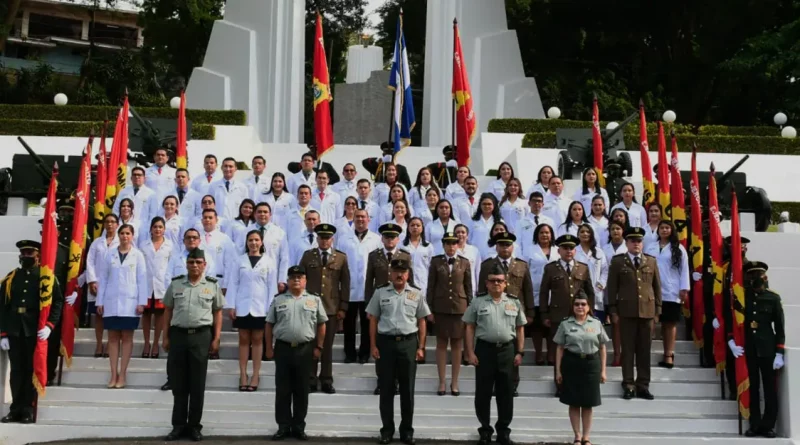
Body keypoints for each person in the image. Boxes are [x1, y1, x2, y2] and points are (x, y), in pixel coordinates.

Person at [163, 248, 225, 442]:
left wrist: (216, 338)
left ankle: (194, 426)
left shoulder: (212, 286)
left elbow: (217, 313)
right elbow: (167, 311)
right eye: (191, 262)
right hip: (179, 336)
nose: (195, 266)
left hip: (201, 336)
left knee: (197, 385)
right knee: (179, 384)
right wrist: (165, 337)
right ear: (186, 264)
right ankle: (178, 426)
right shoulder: (176, 284)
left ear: (204, 264)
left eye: (198, 262)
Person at [366, 258, 430, 445]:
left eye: (403, 272)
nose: (399, 275)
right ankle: (386, 430)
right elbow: (373, 320)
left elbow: (422, 321)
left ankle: (407, 431)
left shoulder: (416, 294)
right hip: (385, 344)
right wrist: (373, 345)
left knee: (407, 390)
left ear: (408, 274)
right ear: (390, 273)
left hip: (408, 344)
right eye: (396, 271)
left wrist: (421, 347)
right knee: (386, 389)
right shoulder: (380, 293)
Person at [0, 240, 63, 424]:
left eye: (30, 254)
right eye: (24, 254)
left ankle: (28, 409)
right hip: (14, 330)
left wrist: (50, 325)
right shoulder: (11, 278)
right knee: (17, 371)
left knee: (30, 371)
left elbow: (57, 302)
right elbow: (3, 306)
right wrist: (3, 332)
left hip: (34, 330)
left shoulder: (46, 278)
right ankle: (15, 409)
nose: (26, 257)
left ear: (38, 256)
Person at [463, 264, 525, 445]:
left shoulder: (514, 302)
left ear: (505, 283)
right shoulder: (478, 301)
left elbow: (520, 328)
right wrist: (469, 352)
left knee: (506, 392)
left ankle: (503, 430)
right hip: (485, 350)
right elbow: (469, 327)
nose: (496, 284)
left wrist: (520, 351)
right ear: (486, 284)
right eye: (492, 281)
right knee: (483, 393)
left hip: (507, 351)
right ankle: (485, 430)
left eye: (499, 281)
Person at [265, 265, 328, 441]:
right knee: (283, 390)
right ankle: (283, 426)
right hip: (283, 348)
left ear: (305, 280)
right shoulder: (279, 299)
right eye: (293, 277)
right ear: (288, 280)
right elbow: (269, 324)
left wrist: (319, 347)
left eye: (300, 277)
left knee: (302, 390)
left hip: (305, 348)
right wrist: (269, 347)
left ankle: (299, 426)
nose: (296, 280)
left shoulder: (314, 300)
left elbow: (322, 323)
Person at [728, 261, 784, 438]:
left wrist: (779, 352)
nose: (756, 279)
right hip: (748, 349)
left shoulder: (773, 298)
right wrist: (731, 341)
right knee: (752, 388)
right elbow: (733, 322)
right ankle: (754, 423)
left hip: (767, 349)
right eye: (752, 276)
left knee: (769, 389)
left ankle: (768, 425)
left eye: (759, 276)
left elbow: (780, 328)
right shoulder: (742, 297)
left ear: (765, 277)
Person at [606, 227, 662, 400]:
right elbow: (612, 288)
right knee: (628, 350)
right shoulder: (618, 262)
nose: (636, 244)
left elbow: (657, 287)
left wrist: (658, 310)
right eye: (632, 241)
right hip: (626, 312)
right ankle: (628, 384)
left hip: (647, 312)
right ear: (627, 243)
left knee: (644, 351)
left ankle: (643, 385)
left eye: (639, 241)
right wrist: (613, 310)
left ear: (642, 243)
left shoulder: (651, 261)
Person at [478, 232, 534, 396]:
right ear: (496, 247)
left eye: (507, 244)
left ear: (512, 246)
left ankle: (512, 384)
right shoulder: (488, 265)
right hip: (491, 311)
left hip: (514, 312)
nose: (505, 248)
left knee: (514, 350)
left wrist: (530, 312)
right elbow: (482, 290)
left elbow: (528, 290)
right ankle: (495, 383)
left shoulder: (521, 265)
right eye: (501, 245)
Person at [539, 234, 595, 394]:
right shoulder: (550, 268)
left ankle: (576, 384)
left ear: (575, 250)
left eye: (571, 248)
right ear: (559, 250)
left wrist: (589, 312)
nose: (568, 251)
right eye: (565, 248)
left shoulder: (583, 268)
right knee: (559, 350)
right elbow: (544, 292)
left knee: (577, 350)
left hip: (579, 316)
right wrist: (544, 314)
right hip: (558, 315)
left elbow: (590, 292)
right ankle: (560, 384)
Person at [299, 223, 350, 394]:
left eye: (327, 238)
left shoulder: (340, 258)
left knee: (327, 346)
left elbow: (345, 283)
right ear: (317, 239)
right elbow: (300, 280)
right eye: (321, 237)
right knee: (310, 343)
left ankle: (326, 379)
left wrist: (343, 306)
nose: (324, 241)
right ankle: (310, 378)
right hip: (310, 306)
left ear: (332, 239)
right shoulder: (308, 256)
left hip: (331, 307)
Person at [96, 224, 148, 389]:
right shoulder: (109, 254)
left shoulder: (138, 255)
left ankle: (123, 374)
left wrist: (142, 302)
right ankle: (113, 374)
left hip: (130, 303)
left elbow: (142, 279)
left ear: (132, 236)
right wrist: (100, 301)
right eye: (122, 233)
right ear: (118, 235)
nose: (125, 236)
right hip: (111, 301)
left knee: (127, 338)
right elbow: (103, 278)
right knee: (112, 338)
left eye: (128, 233)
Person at [365, 223, 415, 395]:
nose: (389, 239)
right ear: (382, 238)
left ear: (398, 239)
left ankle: (398, 382)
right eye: (386, 236)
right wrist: (368, 306)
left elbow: (412, 282)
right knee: (382, 345)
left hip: (401, 303)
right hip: (381, 303)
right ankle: (382, 381)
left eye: (393, 237)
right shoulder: (374, 255)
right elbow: (369, 282)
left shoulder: (405, 256)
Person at [226, 230, 278, 392]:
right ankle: (242, 374)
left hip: (260, 306)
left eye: (256, 240)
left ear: (261, 242)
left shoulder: (269, 262)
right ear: (246, 242)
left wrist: (271, 308)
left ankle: (255, 374)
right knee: (243, 339)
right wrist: (232, 305)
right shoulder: (239, 261)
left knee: (257, 339)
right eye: (250, 240)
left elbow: (272, 287)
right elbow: (233, 283)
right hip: (242, 305)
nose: (253, 243)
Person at [553, 290, 609, 445]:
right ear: (573, 307)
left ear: (588, 306)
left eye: (583, 304)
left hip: (591, 364)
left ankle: (586, 437)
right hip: (572, 363)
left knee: (588, 402)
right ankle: (577, 436)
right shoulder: (565, 324)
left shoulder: (596, 323)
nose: (580, 307)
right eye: (577, 304)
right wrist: (558, 371)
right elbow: (559, 348)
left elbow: (603, 347)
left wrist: (603, 370)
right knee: (573, 401)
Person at [427, 231, 473, 396]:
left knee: (456, 345)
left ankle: (454, 382)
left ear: (458, 245)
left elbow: (469, 288)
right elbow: (431, 286)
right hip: (440, 307)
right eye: (448, 243)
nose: (451, 246)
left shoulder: (465, 262)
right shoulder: (436, 261)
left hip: (459, 308)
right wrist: (429, 309)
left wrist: (470, 309)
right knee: (440, 344)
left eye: (454, 243)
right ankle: (441, 382)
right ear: (444, 245)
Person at [338, 209, 382, 363]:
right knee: (348, 324)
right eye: (357, 216)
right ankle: (349, 353)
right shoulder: (344, 239)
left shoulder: (376, 239)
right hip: (349, 288)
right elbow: (339, 263)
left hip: (368, 288)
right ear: (353, 218)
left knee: (366, 323)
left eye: (363, 217)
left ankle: (364, 353)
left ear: (368, 219)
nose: (360, 219)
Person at [646, 221, 689, 369]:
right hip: (651, 291)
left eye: (667, 228)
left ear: (671, 230)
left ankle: (668, 355)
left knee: (669, 324)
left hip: (671, 291)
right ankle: (645, 354)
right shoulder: (650, 247)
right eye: (661, 228)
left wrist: (684, 288)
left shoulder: (679, 249)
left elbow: (684, 270)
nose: (664, 230)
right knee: (649, 323)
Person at [141, 217, 176, 359]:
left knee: (160, 315)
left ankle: (156, 343)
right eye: (155, 227)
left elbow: (172, 266)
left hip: (162, 285)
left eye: (160, 227)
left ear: (164, 229)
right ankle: (146, 343)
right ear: (151, 229)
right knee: (146, 314)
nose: (157, 229)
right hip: (146, 283)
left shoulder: (170, 246)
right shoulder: (143, 245)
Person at [86, 214, 119, 357]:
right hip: (97, 285)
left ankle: (109, 343)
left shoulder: (122, 241)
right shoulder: (96, 243)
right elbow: (90, 262)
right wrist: (92, 281)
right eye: (107, 222)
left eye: (113, 222)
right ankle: (99, 343)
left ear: (117, 224)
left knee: (111, 316)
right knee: (99, 317)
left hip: (114, 285)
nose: (110, 224)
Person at [525, 223, 557, 365]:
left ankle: (551, 355)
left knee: (552, 325)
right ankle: (538, 354)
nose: (545, 235)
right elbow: (525, 271)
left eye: (547, 232)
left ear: (551, 235)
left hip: (555, 293)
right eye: (542, 232)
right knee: (537, 325)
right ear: (536, 235)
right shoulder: (529, 251)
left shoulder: (557, 250)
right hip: (536, 292)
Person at [575, 225, 608, 323]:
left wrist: (601, 283)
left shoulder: (599, 252)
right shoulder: (574, 251)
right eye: (582, 232)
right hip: (579, 292)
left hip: (596, 291)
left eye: (587, 232)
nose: (585, 234)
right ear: (578, 235)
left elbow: (605, 270)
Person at [517, 191, 555, 258]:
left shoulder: (550, 221)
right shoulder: (520, 223)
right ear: (529, 203)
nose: (536, 203)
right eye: (534, 201)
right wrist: (520, 258)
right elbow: (517, 243)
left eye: (539, 201)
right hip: (527, 257)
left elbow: (554, 241)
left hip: (547, 257)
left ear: (543, 204)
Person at [469, 193, 503, 259]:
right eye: (484, 204)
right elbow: (469, 239)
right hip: (475, 256)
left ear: (494, 206)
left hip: (493, 256)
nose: (486, 206)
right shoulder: (472, 221)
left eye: (489, 204)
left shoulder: (500, 222)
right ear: (480, 205)